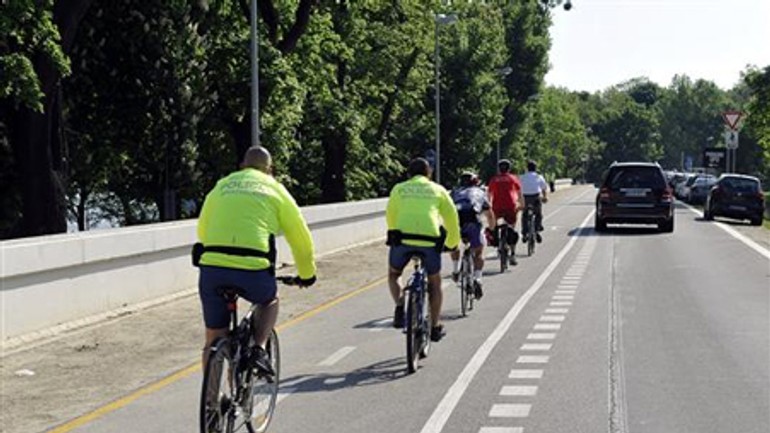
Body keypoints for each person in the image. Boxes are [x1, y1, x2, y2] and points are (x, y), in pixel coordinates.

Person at [196, 146, 316, 374]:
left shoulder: (222, 186)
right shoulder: (276, 189)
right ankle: (259, 348)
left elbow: (203, 229)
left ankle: (211, 402)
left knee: (213, 337)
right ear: (270, 170)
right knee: (269, 300)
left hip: (212, 267)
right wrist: (307, 274)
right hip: (253, 268)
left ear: (242, 165)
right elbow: (300, 238)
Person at [386, 158, 460, 342]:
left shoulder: (399, 189)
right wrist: (451, 243)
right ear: (429, 174)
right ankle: (435, 326)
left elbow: (391, 214)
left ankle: (400, 304)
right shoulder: (438, 190)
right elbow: (452, 219)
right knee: (435, 283)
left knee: (394, 274)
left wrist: (394, 232)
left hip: (403, 239)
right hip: (430, 241)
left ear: (409, 174)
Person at [450, 172, 495, 299]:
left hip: (457, 222)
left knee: (454, 245)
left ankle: (455, 270)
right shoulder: (480, 192)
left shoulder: (454, 192)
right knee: (479, 252)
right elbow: (490, 215)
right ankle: (478, 278)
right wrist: (491, 229)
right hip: (473, 221)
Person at [487, 159, 523, 265]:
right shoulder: (513, 178)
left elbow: (489, 194)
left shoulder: (494, 179)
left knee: (494, 225)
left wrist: (488, 205)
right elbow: (519, 193)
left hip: (497, 206)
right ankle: (512, 253)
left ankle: (497, 242)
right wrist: (521, 204)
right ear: (509, 168)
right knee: (512, 227)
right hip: (510, 206)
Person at [520, 160, 549, 243]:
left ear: (527, 168)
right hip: (535, 197)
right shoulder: (539, 177)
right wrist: (545, 197)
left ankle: (525, 232)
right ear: (535, 168)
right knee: (538, 214)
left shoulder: (522, 177)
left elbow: (518, 188)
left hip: (525, 198)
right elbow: (544, 188)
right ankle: (537, 229)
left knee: (525, 215)